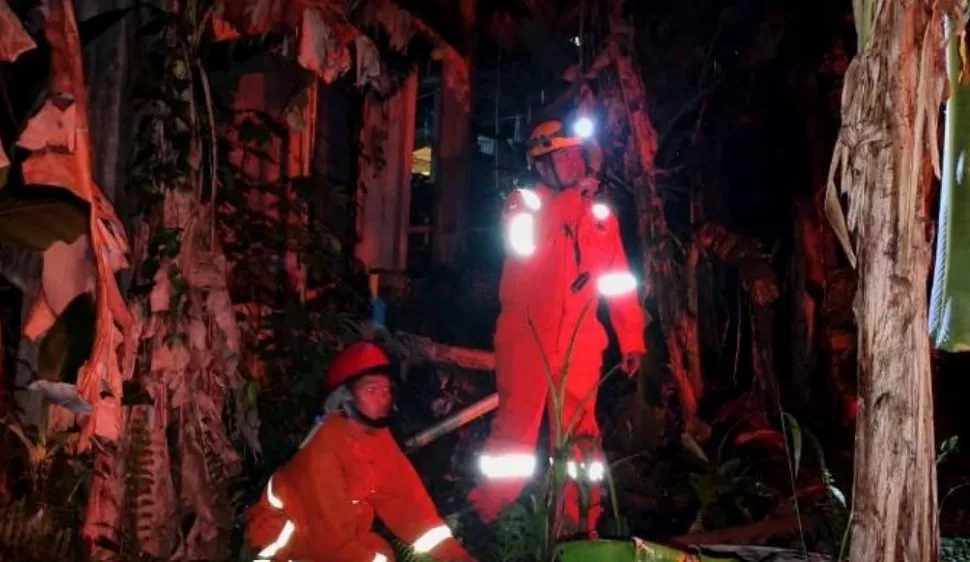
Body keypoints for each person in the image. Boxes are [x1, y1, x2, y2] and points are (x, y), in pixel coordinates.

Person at [467, 118, 646, 535]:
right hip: (526, 339)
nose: (574, 162)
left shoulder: (600, 215)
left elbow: (619, 281)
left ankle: (579, 523)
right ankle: (491, 519)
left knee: (582, 439)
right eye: (563, 156)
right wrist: (571, 200)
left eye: (576, 154)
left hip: (580, 343)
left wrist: (631, 338)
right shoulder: (522, 204)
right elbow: (524, 246)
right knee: (513, 438)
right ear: (540, 164)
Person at [245, 341, 477, 562]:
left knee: (379, 552)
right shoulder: (324, 451)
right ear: (345, 397)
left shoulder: (376, 439)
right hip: (285, 554)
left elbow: (408, 505)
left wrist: (456, 556)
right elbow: (330, 542)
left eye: (386, 389)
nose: (383, 397)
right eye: (371, 390)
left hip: (326, 546)